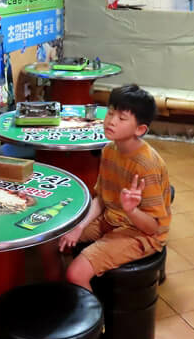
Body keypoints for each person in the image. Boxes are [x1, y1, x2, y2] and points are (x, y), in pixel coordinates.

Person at [58, 85, 171, 290]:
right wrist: (80, 227)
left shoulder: (147, 165)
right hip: (112, 219)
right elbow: (101, 199)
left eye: (122, 118)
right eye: (110, 113)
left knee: (76, 273)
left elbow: (153, 227)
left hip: (142, 233)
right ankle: (61, 294)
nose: (111, 121)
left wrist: (131, 210)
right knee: (58, 235)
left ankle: (95, 320)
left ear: (140, 129)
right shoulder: (109, 150)